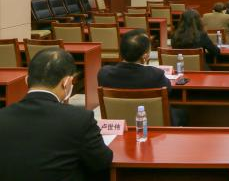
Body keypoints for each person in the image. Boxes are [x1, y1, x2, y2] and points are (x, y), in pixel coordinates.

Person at [0, 48, 112, 181]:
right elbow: (102, 161)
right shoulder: (80, 119)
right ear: (66, 83)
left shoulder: (3, 116)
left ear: (27, 80)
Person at [97, 29, 187, 126]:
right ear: (145, 56)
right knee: (183, 113)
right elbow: (168, 90)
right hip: (151, 125)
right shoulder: (156, 75)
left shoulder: (104, 73)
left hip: (119, 127)